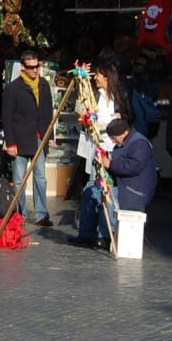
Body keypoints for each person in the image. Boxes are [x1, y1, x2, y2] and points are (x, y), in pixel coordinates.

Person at [74, 118, 158, 250]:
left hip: (135, 190)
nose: (113, 141)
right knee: (90, 192)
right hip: (123, 184)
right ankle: (86, 234)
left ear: (124, 133)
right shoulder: (122, 144)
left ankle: (105, 236)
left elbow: (132, 167)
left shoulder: (139, 143)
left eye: (114, 137)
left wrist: (110, 164)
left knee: (109, 196)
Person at [69, 63, 125, 248]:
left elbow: (125, 119)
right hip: (96, 146)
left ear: (107, 77)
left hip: (113, 147)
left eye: (99, 75)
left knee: (108, 190)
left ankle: (104, 233)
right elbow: (85, 117)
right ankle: (87, 233)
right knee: (93, 186)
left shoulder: (119, 97)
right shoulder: (92, 95)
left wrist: (115, 120)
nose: (95, 77)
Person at [1, 51, 55, 227]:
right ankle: (20, 213)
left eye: (37, 66)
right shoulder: (12, 88)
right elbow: (6, 118)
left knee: (41, 177)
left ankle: (41, 214)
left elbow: (48, 113)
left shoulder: (44, 85)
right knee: (19, 179)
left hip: (39, 137)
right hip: (20, 139)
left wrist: (50, 135)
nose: (35, 70)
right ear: (23, 67)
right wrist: (10, 143)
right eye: (31, 67)